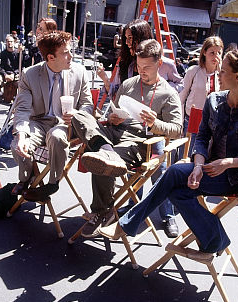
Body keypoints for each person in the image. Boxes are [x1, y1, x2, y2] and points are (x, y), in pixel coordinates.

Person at [99, 49, 238, 255]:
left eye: (223, 70)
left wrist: (227, 163)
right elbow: (202, 138)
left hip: (233, 176)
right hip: (206, 167)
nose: (218, 72)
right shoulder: (214, 100)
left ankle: (127, 224)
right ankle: (216, 239)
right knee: (176, 191)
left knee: (173, 174)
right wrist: (198, 166)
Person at [71, 39, 183, 238]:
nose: (141, 71)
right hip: (114, 133)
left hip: (139, 142)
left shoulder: (169, 93)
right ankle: (105, 149)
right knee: (79, 116)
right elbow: (112, 111)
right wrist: (111, 118)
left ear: (159, 64)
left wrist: (155, 124)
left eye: (146, 67)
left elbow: (177, 129)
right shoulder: (129, 84)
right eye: (139, 66)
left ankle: (101, 211)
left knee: (99, 159)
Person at [10, 30, 93, 201]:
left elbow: (88, 104)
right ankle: (28, 178)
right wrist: (21, 136)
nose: (71, 56)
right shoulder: (30, 74)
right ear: (50, 58)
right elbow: (23, 109)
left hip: (67, 123)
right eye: (65, 53)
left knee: (56, 136)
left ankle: (53, 183)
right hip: (39, 121)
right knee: (17, 144)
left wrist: (78, 114)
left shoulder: (79, 72)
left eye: (71, 51)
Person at [179, 36, 223, 155]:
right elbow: (182, 96)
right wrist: (179, 121)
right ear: (204, 52)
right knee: (187, 154)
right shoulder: (194, 71)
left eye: (219, 52)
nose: (215, 56)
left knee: (205, 156)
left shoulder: (222, 75)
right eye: (212, 53)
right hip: (193, 118)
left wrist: (221, 72)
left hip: (213, 122)